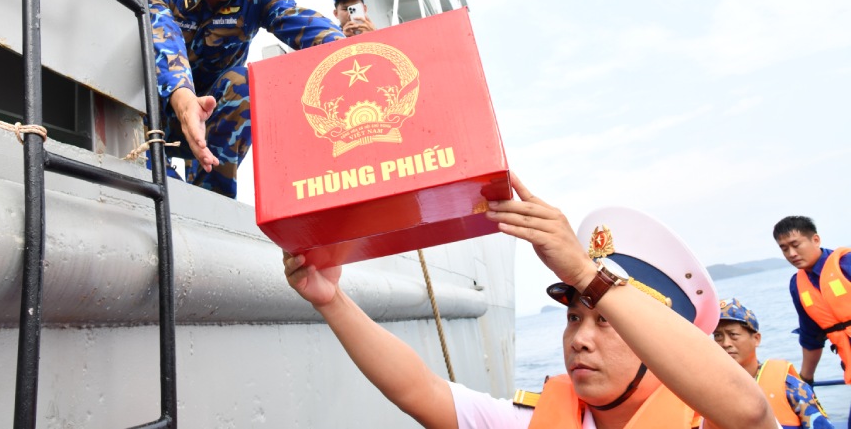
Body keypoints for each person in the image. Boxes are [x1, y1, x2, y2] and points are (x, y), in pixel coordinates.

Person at [284, 171, 777, 429]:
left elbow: (749, 414)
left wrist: (585, 272)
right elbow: (420, 391)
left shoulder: (709, 423)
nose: (579, 340)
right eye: (574, 318)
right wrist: (331, 301)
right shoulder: (535, 421)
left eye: (606, 321)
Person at [144, 0, 345, 198]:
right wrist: (184, 99)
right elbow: (161, 33)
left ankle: (212, 197)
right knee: (164, 194)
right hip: (150, 114)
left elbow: (299, 20)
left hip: (212, 120)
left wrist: (358, 53)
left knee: (244, 83)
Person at [773, 215, 851, 427]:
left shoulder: (847, 263)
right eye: (784, 248)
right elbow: (811, 337)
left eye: (795, 245)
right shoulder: (797, 285)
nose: (791, 254)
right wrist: (805, 381)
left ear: (815, 240)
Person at [715, 297, 834, 429]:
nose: (725, 343)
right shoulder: (710, 391)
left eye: (733, 335)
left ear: (756, 339)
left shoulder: (790, 387)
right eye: (718, 336)